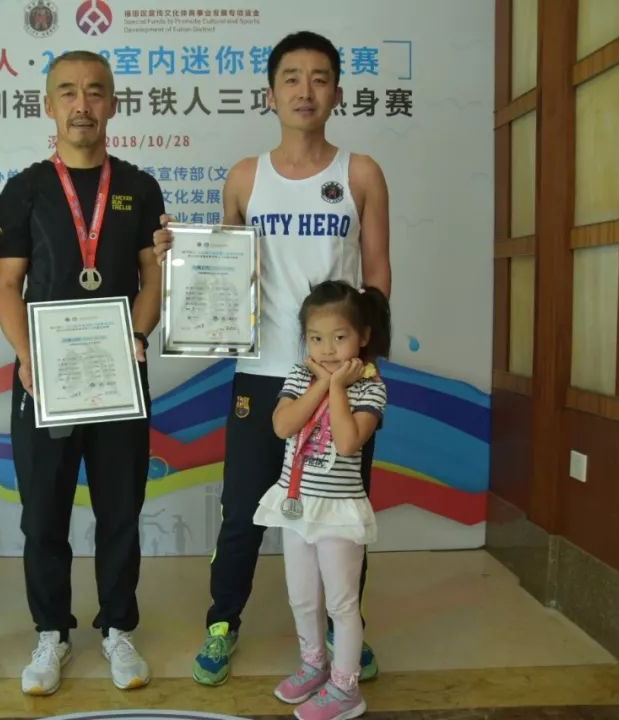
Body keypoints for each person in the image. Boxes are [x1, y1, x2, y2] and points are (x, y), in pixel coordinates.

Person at [154, 30, 391, 686]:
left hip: (340, 378)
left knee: (341, 508)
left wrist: (361, 363)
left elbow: (377, 272)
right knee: (242, 508)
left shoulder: (361, 174)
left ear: (337, 93)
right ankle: (222, 622)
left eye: (319, 78)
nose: (305, 90)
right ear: (270, 94)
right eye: (291, 78)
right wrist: (178, 259)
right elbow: (223, 273)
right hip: (262, 374)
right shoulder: (245, 177)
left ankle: (346, 630)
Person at [0, 50, 164, 696]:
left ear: (113, 104)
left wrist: (137, 336)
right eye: (67, 91)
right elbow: (7, 286)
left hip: (121, 374)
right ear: (48, 105)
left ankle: (118, 627)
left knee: (121, 510)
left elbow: (153, 277)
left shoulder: (139, 186)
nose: (81, 104)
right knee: (43, 515)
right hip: (45, 380)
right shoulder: (25, 189)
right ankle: (51, 633)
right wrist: (26, 355)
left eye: (95, 92)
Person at [256, 281, 389, 720]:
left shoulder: (370, 388)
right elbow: (282, 426)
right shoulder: (299, 377)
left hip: (338, 513)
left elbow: (349, 442)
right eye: (316, 338)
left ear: (363, 336)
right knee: (302, 598)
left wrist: (336, 388)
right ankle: (314, 666)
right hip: (296, 506)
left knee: (341, 604)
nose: (327, 349)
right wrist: (322, 382)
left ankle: (345, 689)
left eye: (339, 337)